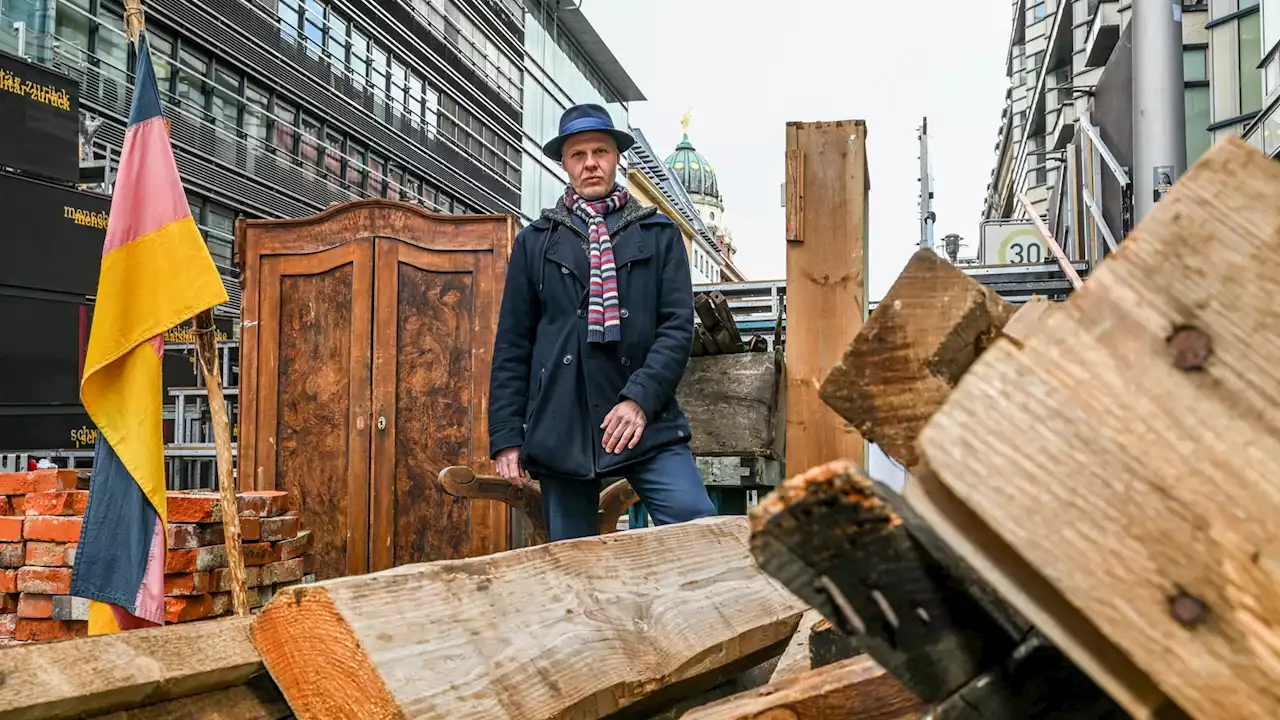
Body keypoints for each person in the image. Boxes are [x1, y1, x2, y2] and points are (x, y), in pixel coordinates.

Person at [488, 103, 716, 541]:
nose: (590, 163)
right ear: (564, 164)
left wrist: (639, 401)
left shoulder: (660, 234)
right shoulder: (535, 242)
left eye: (600, 151)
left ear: (615, 158)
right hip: (562, 425)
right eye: (578, 154)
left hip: (644, 421)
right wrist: (505, 436)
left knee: (699, 528)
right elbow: (513, 345)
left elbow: (675, 329)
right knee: (575, 567)